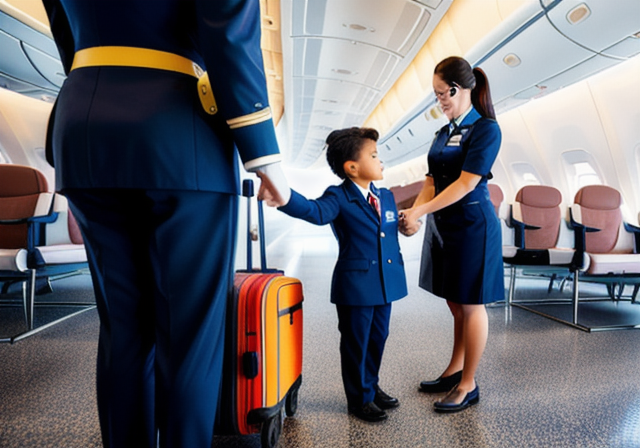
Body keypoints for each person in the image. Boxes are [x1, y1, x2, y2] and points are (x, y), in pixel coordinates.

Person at [42, 1, 289, 447]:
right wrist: (264, 155)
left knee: (123, 329)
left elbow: (67, 34)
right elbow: (229, 37)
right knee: (189, 336)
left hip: (84, 128)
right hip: (181, 135)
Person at [259, 127, 408, 423]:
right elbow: (315, 211)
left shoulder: (386, 197)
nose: (381, 161)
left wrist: (408, 224)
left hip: (385, 284)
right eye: (374, 155)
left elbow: (388, 230)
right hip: (356, 285)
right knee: (356, 342)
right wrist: (285, 197)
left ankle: (372, 386)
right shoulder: (339, 197)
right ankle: (360, 399)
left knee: (379, 337)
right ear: (351, 168)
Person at [400, 56, 503, 413]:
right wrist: (415, 211)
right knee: (455, 303)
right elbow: (430, 182)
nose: (439, 101)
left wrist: (421, 212)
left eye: (442, 94)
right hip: (445, 227)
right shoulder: (444, 132)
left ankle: (468, 385)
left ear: (458, 90)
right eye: (436, 95)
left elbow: (466, 183)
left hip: (473, 227)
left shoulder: (486, 129)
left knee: (472, 305)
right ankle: (454, 370)